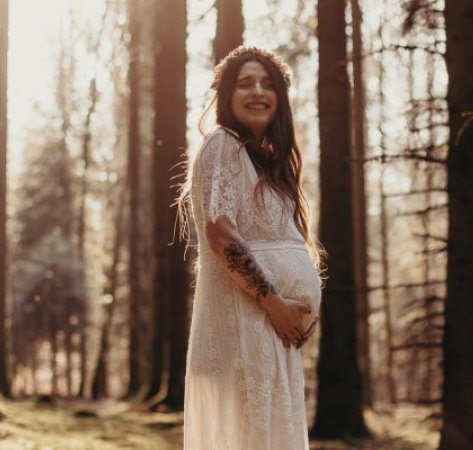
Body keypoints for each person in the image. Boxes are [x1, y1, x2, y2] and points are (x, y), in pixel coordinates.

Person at [179, 46, 323, 450]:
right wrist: (276, 303)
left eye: (267, 84)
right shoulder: (223, 144)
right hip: (242, 329)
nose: (258, 92)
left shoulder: (267, 164)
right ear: (226, 96)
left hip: (269, 336)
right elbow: (220, 235)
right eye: (245, 84)